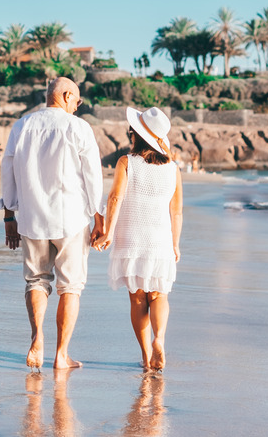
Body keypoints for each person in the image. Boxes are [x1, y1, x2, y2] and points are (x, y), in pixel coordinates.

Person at [0, 77, 104, 370]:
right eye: (77, 100)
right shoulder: (78, 128)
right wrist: (99, 218)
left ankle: (37, 337)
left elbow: (7, 171)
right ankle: (61, 355)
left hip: (31, 217)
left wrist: (9, 215)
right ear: (67, 96)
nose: (77, 106)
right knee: (71, 287)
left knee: (36, 280)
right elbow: (92, 176)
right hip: (71, 219)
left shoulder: (22, 126)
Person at [93, 107, 183, 372]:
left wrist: (108, 232)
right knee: (159, 295)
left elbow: (115, 198)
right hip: (160, 239)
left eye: (131, 131)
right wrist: (175, 244)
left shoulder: (126, 162)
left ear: (137, 135)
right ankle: (159, 339)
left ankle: (146, 357)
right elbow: (177, 211)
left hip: (131, 238)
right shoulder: (173, 168)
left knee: (138, 298)